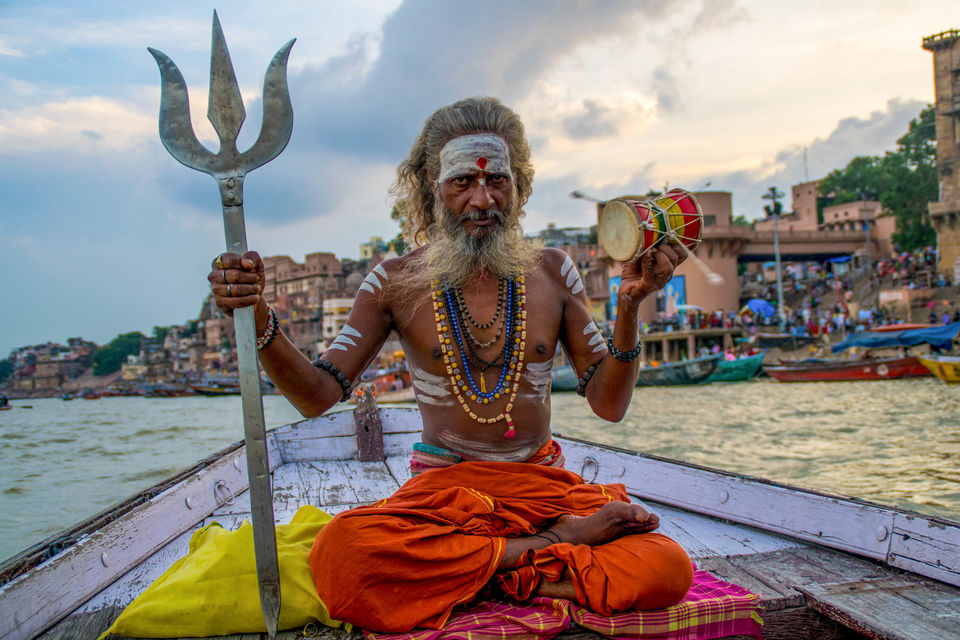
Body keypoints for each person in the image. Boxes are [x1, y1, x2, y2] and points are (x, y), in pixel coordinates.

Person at [210, 97, 692, 632]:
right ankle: (543, 557)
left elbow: (608, 404)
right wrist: (255, 316)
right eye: (462, 181)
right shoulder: (394, 280)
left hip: (543, 489)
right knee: (341, 555)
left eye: (498, 182)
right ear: (430, 188)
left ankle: (482, 568)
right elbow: (317, 395)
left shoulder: (554, 271)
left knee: (666, 567)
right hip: (444, 498)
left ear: (520, 186)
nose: (482, 199)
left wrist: (629, 306)